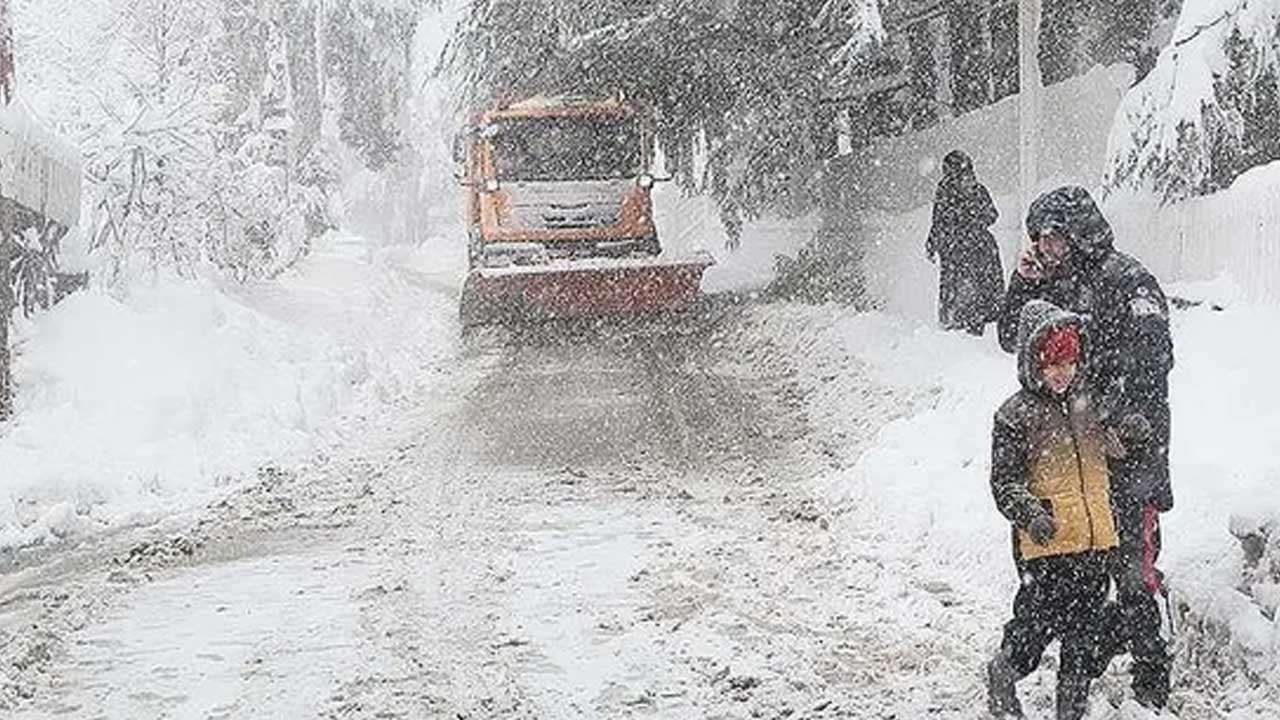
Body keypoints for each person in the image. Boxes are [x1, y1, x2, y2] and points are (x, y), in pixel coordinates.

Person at [998, 186, 1175, 708]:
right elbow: (1012, 337)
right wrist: (1022, 282)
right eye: (1039, 241)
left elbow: (1152, 365)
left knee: (1134, 572)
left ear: (1075, 234)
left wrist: (1117, 419)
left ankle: (1151, 677)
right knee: (1079, 575)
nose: (1044, 249)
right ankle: (1084, 661)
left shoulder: (1127, 280)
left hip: (1128, 457)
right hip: (1073, 462)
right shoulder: (1050, 284)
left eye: (1050, 239)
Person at [987, 300, 1120, 720]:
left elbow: (1112, 454)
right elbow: (1004, 482)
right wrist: (1032, 514)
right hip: (1047, 547)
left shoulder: (1090, 406)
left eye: (1070, 362)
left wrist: (1129, 435)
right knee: (1033, 629)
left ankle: (1070, 713)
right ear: (1033, 362)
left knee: (1083, 639)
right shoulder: (1016, 415)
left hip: (1095, 542)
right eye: (1052, 364)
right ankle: (1004, 673)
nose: (1063, 373)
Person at [926, 150, 1005, 335]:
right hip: (958, 249)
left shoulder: (977, 189)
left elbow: (992, 215)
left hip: (976, 248)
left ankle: (975, 325)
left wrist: (971, 222)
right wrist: (933, 242)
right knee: (964, 289)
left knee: (978, 288)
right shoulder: (944, 192)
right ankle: (960, 326)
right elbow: (938, 220)